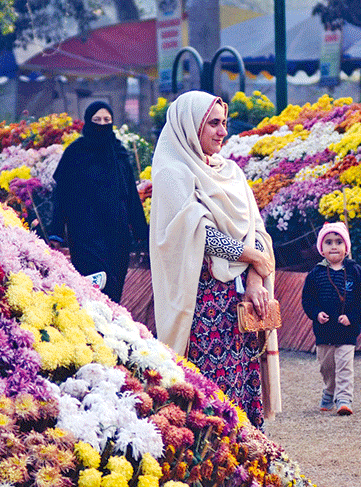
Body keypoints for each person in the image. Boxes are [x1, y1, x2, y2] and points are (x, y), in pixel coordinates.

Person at [149, 91, 280, 428]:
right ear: (190, 126)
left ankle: (248, 459)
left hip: (244, 300)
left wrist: (255, 277)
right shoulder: (173, 172)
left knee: (244, 381)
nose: (223, 131)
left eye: (225, 123)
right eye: (213, 124)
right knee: (211, 393)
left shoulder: (231, 172)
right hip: (204, 303)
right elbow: (198, 234)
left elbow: (256, 227)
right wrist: (252, 256)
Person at [50, 101, 148, 303]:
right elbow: (61, 196)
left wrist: (142, 234)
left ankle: (109, 333)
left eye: (107, 120)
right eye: (97, 120)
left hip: (117, 236)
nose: (102, 124)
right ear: (87, 121)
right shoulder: (75, 153)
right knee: (92, 291)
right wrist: (56, 232)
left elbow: (130, 195)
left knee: (113, 292)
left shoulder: (119, 153)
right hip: (85, 235)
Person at [301, 222, 361, 416]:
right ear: (321, 249)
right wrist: (316, 314)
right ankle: (329, 390)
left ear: (346, 247)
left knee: (345, 366)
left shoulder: (356, 272)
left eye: (339, 242)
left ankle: (344, 399)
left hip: (347, 332)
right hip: (324, 332)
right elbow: (307, 300)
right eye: (329, 242)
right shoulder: (315, 274)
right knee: (327, 367)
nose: (334, 246)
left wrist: (352, 318)